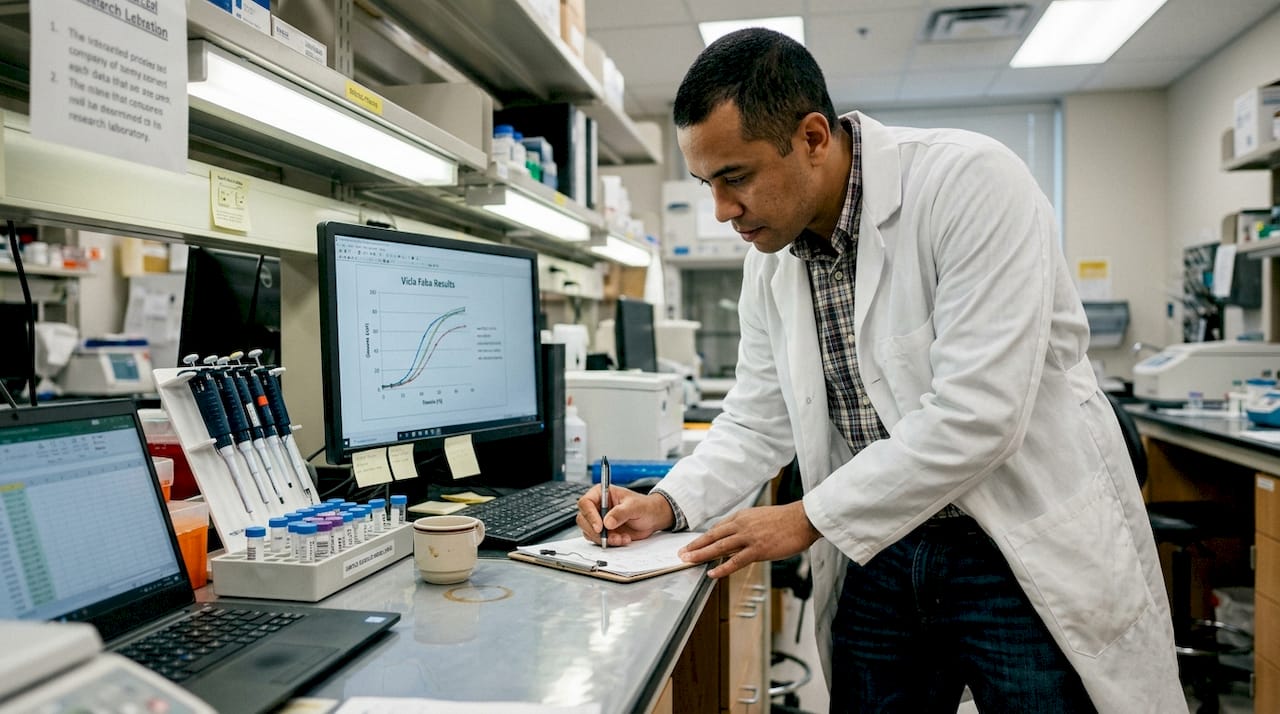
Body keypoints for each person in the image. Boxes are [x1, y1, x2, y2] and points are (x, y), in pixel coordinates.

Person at [576, 27, 1184, 713]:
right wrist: (665, 503)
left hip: (1010, 543)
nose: (721, 211)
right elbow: (756, 419)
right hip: (882, 540)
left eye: (735, 177)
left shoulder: (970, 183)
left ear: (812, 137)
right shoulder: (770, 264)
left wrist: (807, 517)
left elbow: (977, 416)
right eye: (706, 184)